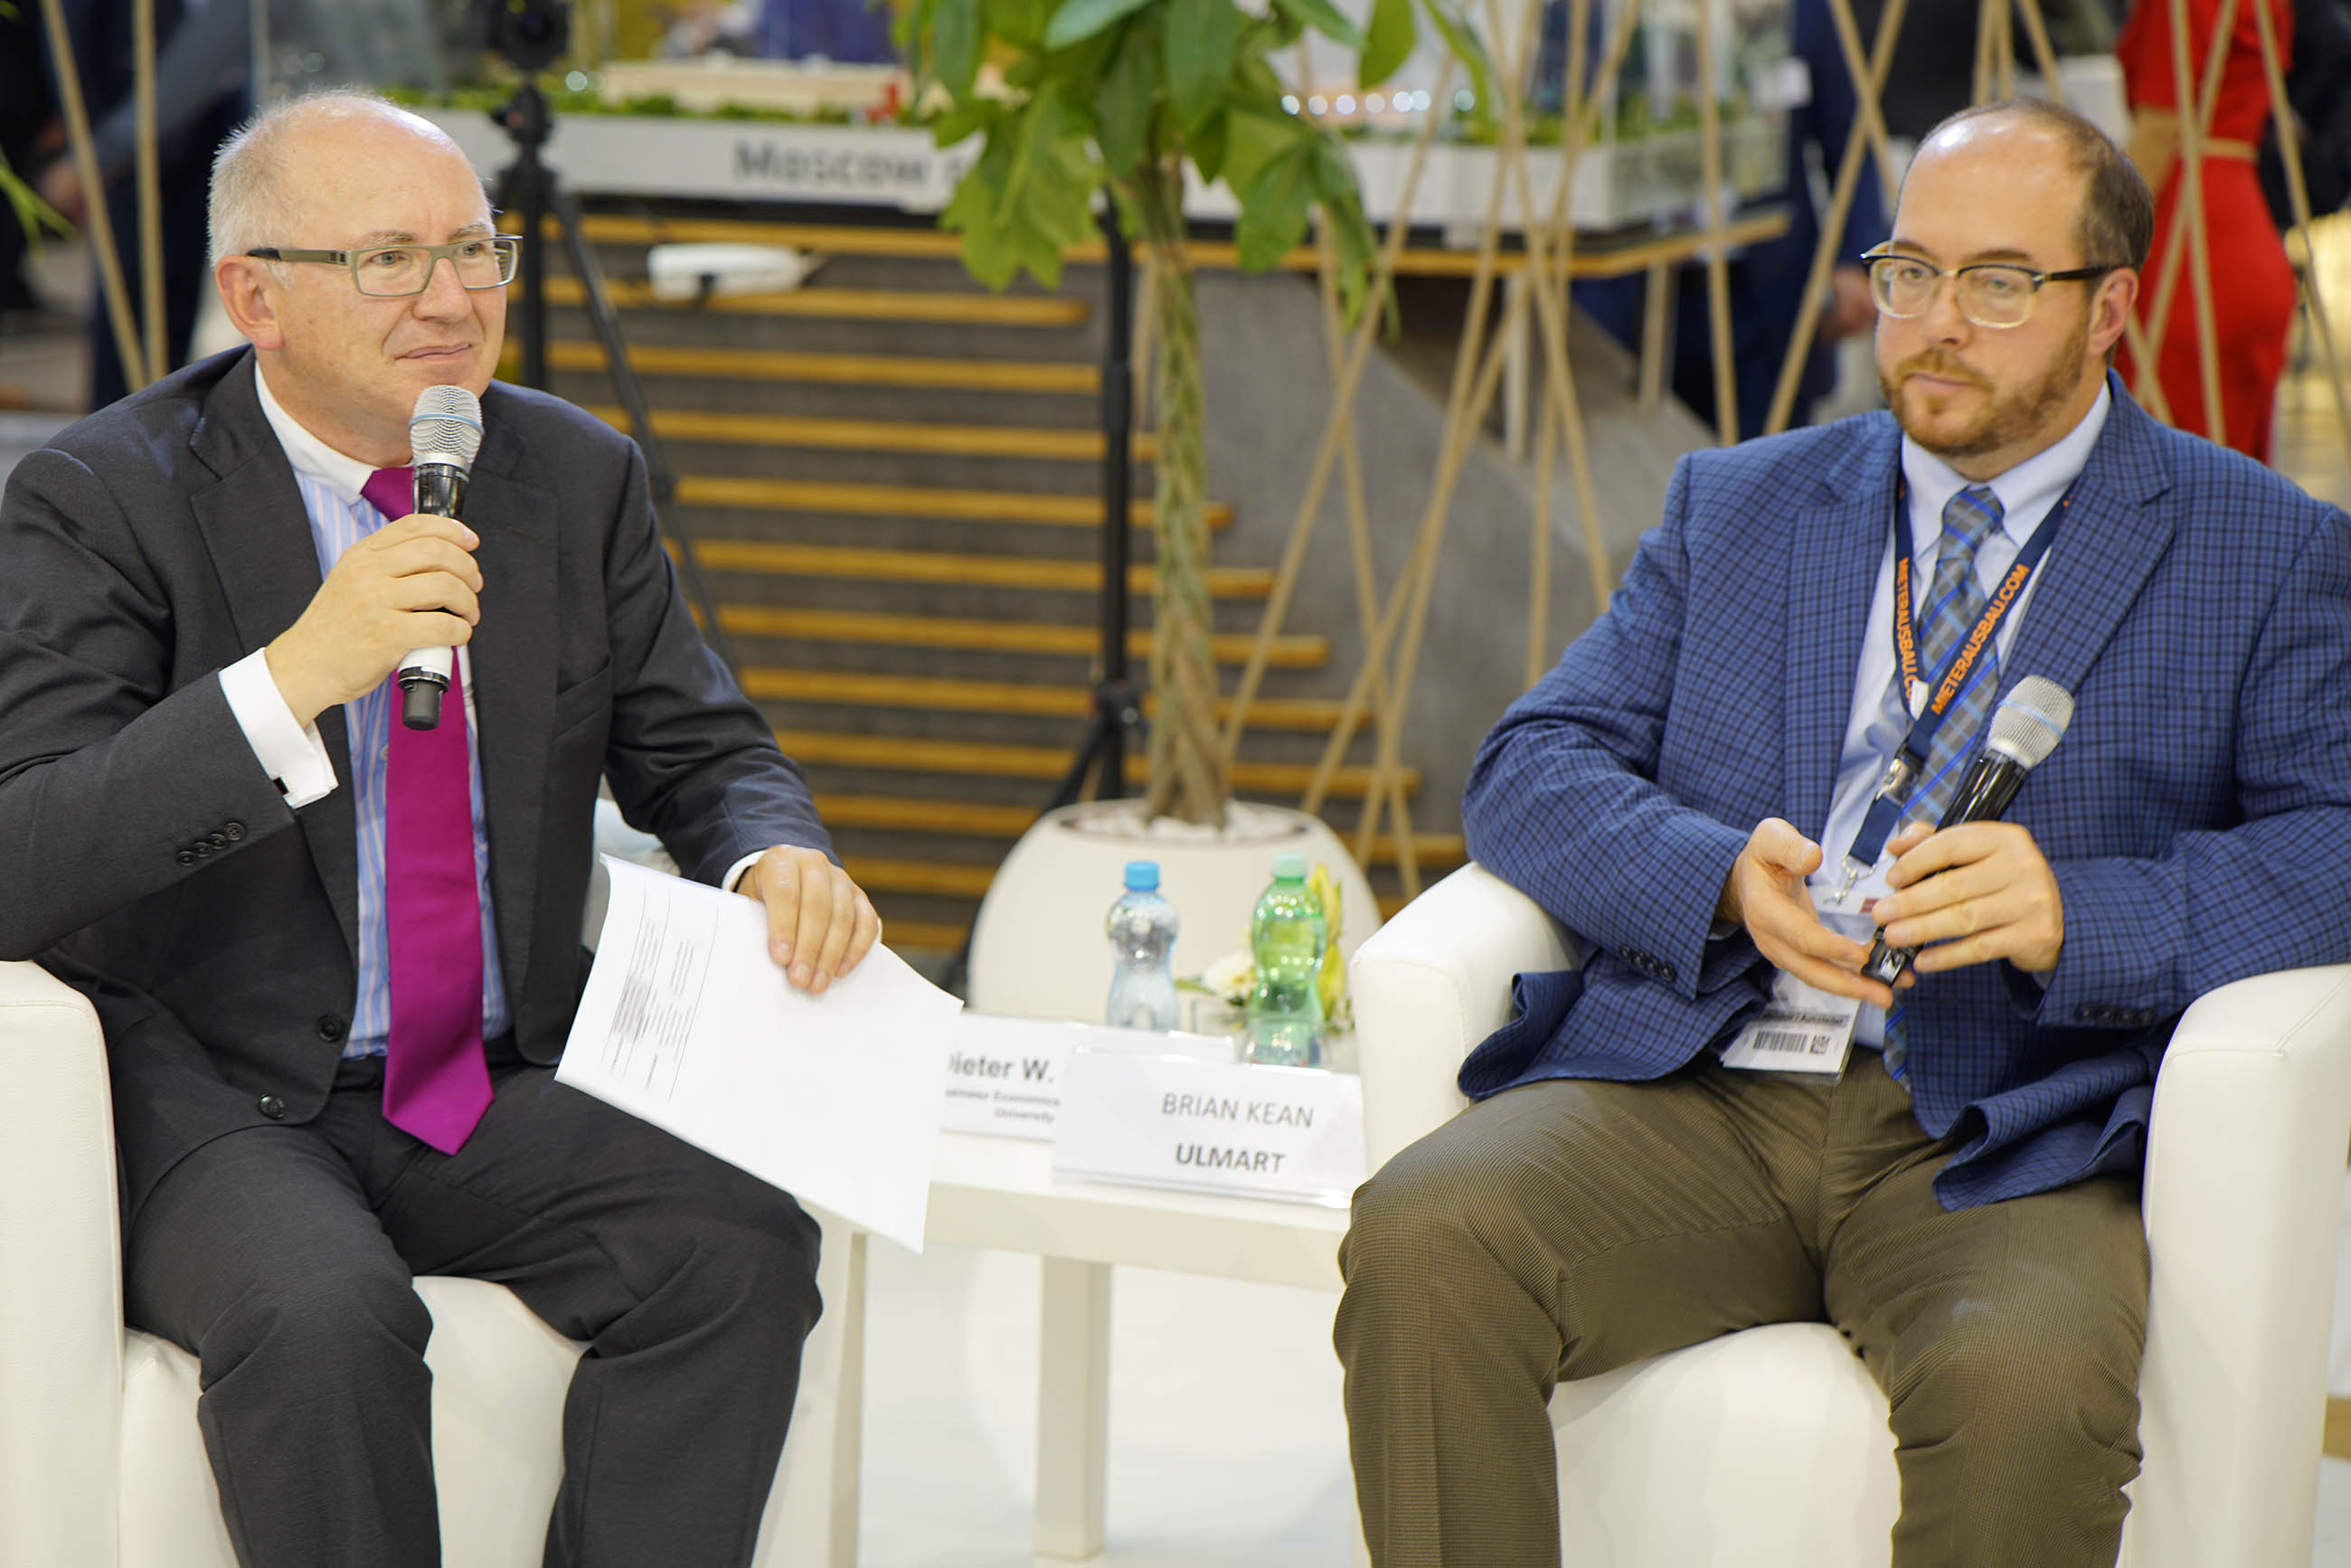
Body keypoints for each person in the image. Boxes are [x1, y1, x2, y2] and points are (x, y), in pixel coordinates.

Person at [1335, 98, 2351, 1567]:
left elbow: (2334, 844)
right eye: (1910, 272)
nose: (1937, 323)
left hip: (2006, 1125)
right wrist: (1714, 877)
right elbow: (1530, 763)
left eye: (2000, 282)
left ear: (2110, 308)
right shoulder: (1740, 503)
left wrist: (2081, 911)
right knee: (1427, 1231)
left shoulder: (2262, 547)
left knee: (2027, 1387)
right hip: (1706, 1083)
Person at [0, 90, 880, 1567]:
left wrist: (768, 850)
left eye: (476, 250)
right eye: (390, 260)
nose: (454, 299)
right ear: (256, 298)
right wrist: (292, 677)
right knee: (325, 1311)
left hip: (480, 1073)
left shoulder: (572, 475)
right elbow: (25, 849)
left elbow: (705, 746)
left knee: (738, 1243)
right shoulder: (103, 496)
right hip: (208, 1082)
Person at [2116, 0, 2297, 458]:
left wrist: (2088, 232)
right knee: (2230, 472)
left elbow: (2160, 130)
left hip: (2184, 238)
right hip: (2245, 229)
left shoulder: (2177, 8)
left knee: (2167, 462)